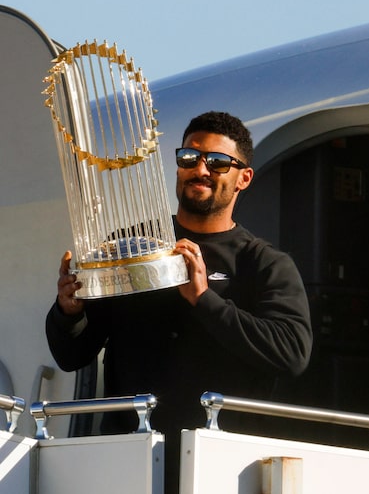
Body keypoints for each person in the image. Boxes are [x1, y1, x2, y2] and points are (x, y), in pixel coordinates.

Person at [45, 111, 313, 492]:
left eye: (218, 162)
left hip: (221, 466)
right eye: (189, 157)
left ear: (244, 178)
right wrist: (68, 311)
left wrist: (204, 299)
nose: (200, 169)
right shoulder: (135, 248)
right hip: (129, 460)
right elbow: (71, 356)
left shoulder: (264, 263)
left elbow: (291, 354)